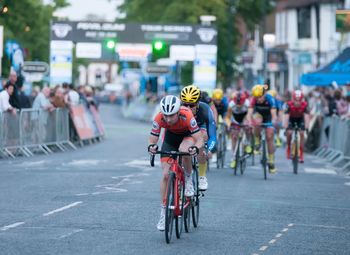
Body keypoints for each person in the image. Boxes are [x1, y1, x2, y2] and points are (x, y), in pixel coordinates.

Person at [148, 95, 204, 231]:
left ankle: (189, 179)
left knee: (184, 150)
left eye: (171, 115)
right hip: (170, 139)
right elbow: (152, 140)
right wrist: (152, 147)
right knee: (166, 175)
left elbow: (200, 139)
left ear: (178, 112)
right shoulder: (159, 118)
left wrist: (195, 148)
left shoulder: (187, 115)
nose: (168, 119)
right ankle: (163, 212)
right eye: (166, 115)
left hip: (187, 136)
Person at [180, 85, 216, 191]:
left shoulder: (205, 110)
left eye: (191, 105)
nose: (188, 108)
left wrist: (208, 149)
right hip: (186, 130)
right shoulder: (178, 109)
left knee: (202, 138)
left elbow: (212, 135)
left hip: (200, 128)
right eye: (185, 105)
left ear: (197, 103)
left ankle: (202, 177)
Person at [247, 84, 278, 173]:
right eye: (256, 98)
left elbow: (274, 115)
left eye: (260, 97)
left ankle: (271, 160)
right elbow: (249, 114)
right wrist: (249, 122)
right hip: (258, 115)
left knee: (269, 136)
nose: (258, 99)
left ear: (264, 94)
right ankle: (257, 141)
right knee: (257, 121)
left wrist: (274, 121)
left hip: (268, 117)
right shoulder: (253, 100)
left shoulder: (270, 99)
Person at [225, 91, 252, 169]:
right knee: (234, 136)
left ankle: (247, 143)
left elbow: (249, 115)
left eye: (241, 105)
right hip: (235, 119)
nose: (239, 106)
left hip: (244, 117)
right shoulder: (231, 104)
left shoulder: (247, 103)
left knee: (248, 128)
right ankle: (234, 157)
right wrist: (229, 125)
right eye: (238, 104)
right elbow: (228, 117)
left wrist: (249, 122)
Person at [284, 90, 310, 163]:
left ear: (302, 100)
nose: (297, 102)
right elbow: (286, 117)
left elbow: (306, 117)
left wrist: (307, 128)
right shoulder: (289, 104)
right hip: (291, 119)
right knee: (289, 133)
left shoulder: (305, 105)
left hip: (300, 119)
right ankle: (289, 146)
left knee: (301, 133)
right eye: (296, 100)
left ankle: (301, 152)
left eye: (299, 100)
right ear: (293, 99)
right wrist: (286, 128)